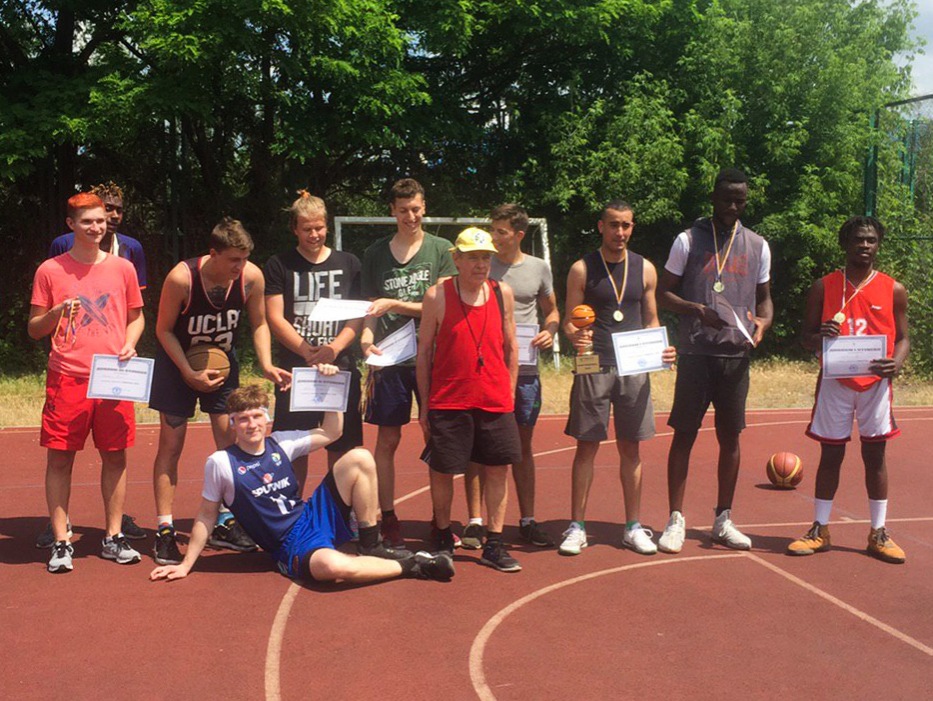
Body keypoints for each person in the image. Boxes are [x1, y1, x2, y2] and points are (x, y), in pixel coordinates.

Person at [149, 382, 455, 584]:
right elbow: (206, 515)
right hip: (289, 543)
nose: (251, 424)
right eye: (243, 419)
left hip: (311, 515)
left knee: (359, 457)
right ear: (232, 423)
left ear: (266, 418)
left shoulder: (281, 443)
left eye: (256, 416)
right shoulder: (221, 463)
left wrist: (330, 387)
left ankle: (371, 544)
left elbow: (332, 432)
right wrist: (186, 564)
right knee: (334, 568)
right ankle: (416, 566)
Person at [149, 217, 290, 566]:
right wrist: (188, 371)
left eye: (244, 259)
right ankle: (165, 529)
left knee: (230, 446)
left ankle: (226, 520)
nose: (239, 266)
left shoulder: (251, 277)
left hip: (222, 365)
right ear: (213, 254)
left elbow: (259, 323)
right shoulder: (182, 278)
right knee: (171, 445)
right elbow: (163, 330)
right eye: (233, 260)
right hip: (177, 366)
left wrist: (266, 363)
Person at [657, 167, 773, 553]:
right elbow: (663, 293)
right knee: (684, 434)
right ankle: (675, 519)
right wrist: (694, 309)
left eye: (740, 200)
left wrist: (764, 323)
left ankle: (723, 519)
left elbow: (765, 300)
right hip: (696, 352)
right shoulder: (688, 240)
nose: (733, 207)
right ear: (713, 198)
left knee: (730, 436)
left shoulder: (757, 245)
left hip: (735, 354)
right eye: (727, 199)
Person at [29, 192, 145, 573]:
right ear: (71, 224)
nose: (96, 227)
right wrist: (56, 313)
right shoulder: (50, 270)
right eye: (87, 221)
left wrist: (130, 342)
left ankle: (113, 536)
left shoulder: (123, 268)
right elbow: (34, 328)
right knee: (60, 458)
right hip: (67, 376)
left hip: (112, 378)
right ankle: (61, 540)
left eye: (100, 220)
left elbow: (136, 317)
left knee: (115, 456)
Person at [787, 216, 909, 564]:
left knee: (875, 456)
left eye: (871, 240)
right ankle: (820, 529)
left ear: (878, 244)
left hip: (875, 383)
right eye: (858, 239)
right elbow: (805, 337)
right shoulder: (824, 287)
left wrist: (897, 362)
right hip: (834, 381)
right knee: (831, 454)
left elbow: (903, 337)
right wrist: (819, 337)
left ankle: (878, 531)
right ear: (844, 243)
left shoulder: (893, 288)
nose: (865, 245)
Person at [558, 202, 677, 556]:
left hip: (634, 366)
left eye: (626, 225)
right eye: (613, 225)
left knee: (631, 447)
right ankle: (577, 527)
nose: (620, 232)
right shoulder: (582, 268)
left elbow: (652, 320)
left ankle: (633, 526)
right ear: (601, 226)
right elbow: (568, 321)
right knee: (586, 446)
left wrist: (663, 350)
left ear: (632, 227)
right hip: (592, 364)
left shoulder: (646, 269)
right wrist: (575, 336)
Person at [417, 227, 523, 572]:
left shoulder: (502, 292)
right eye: (473, 258)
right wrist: (425, 406)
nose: (481, 264)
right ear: (457, 259)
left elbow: (511, 345)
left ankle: (495, 542)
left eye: (486, 257)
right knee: (443, 471)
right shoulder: (438, 295)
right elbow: (424, 353)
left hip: (494, 400)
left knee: (498, 470)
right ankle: (443, 535)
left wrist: (509, 392)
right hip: (449, 400)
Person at [360, 178, 456, 547]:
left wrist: (396, 304)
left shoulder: (441, 249)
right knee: (388, 438)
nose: (410, 216)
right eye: (403, 210)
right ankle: (387, 516)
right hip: (390, 360)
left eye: (416, 209)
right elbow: (370, 308)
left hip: (433, 358)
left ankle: (440, 521)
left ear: (424, 207)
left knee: (435, 434)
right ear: (392, 211)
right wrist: (366, 338)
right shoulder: (375, 253)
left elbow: (441, 305)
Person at [462, 204, 560, 549]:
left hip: (526, 371)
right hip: (484, 369)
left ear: (519, 235)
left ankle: (528, 519)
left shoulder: (538, 268)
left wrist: (550, 331)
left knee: (521, 445)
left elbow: (553, 311)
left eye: (501, 231)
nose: (494, 237)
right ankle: (475, 521)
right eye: (492, 229)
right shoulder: (482, 265)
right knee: (477, 445)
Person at [264, 191, 364, 491]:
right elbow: (275, 317)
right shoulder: (279, 264)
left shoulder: (349, 262)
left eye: (319, 227)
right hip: (297, 369)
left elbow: (357, 316)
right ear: (295, 229)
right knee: (295, 444)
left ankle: (341, 506)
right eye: (307, 228)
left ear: (327, 226)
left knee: (342, 442)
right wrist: (307, 351)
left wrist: (334, 348)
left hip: (339, 366)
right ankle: (293, 505)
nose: (314, 234)